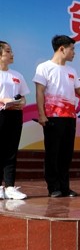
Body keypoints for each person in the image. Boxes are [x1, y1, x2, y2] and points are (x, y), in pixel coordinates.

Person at [33, 35, 80, 198]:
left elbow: (78, 93)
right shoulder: (44, 67)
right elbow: (39, 92)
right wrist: (41, 115)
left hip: (70, 117)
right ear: (62, 49)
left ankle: (65, 187)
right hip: (52, 117)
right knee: (53, 153)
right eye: (72, 49)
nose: (74, 53)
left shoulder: (72, 71)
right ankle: (54, 187)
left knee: (66, 153)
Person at [0, 41, 30, 200]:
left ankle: (10, 187)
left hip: (14, 115)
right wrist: (2, 99)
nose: (12, 54)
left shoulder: (17, 75)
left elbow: (24, 96)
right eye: (8, 51)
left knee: (11, 151)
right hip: (0, 114)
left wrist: (22, 102)